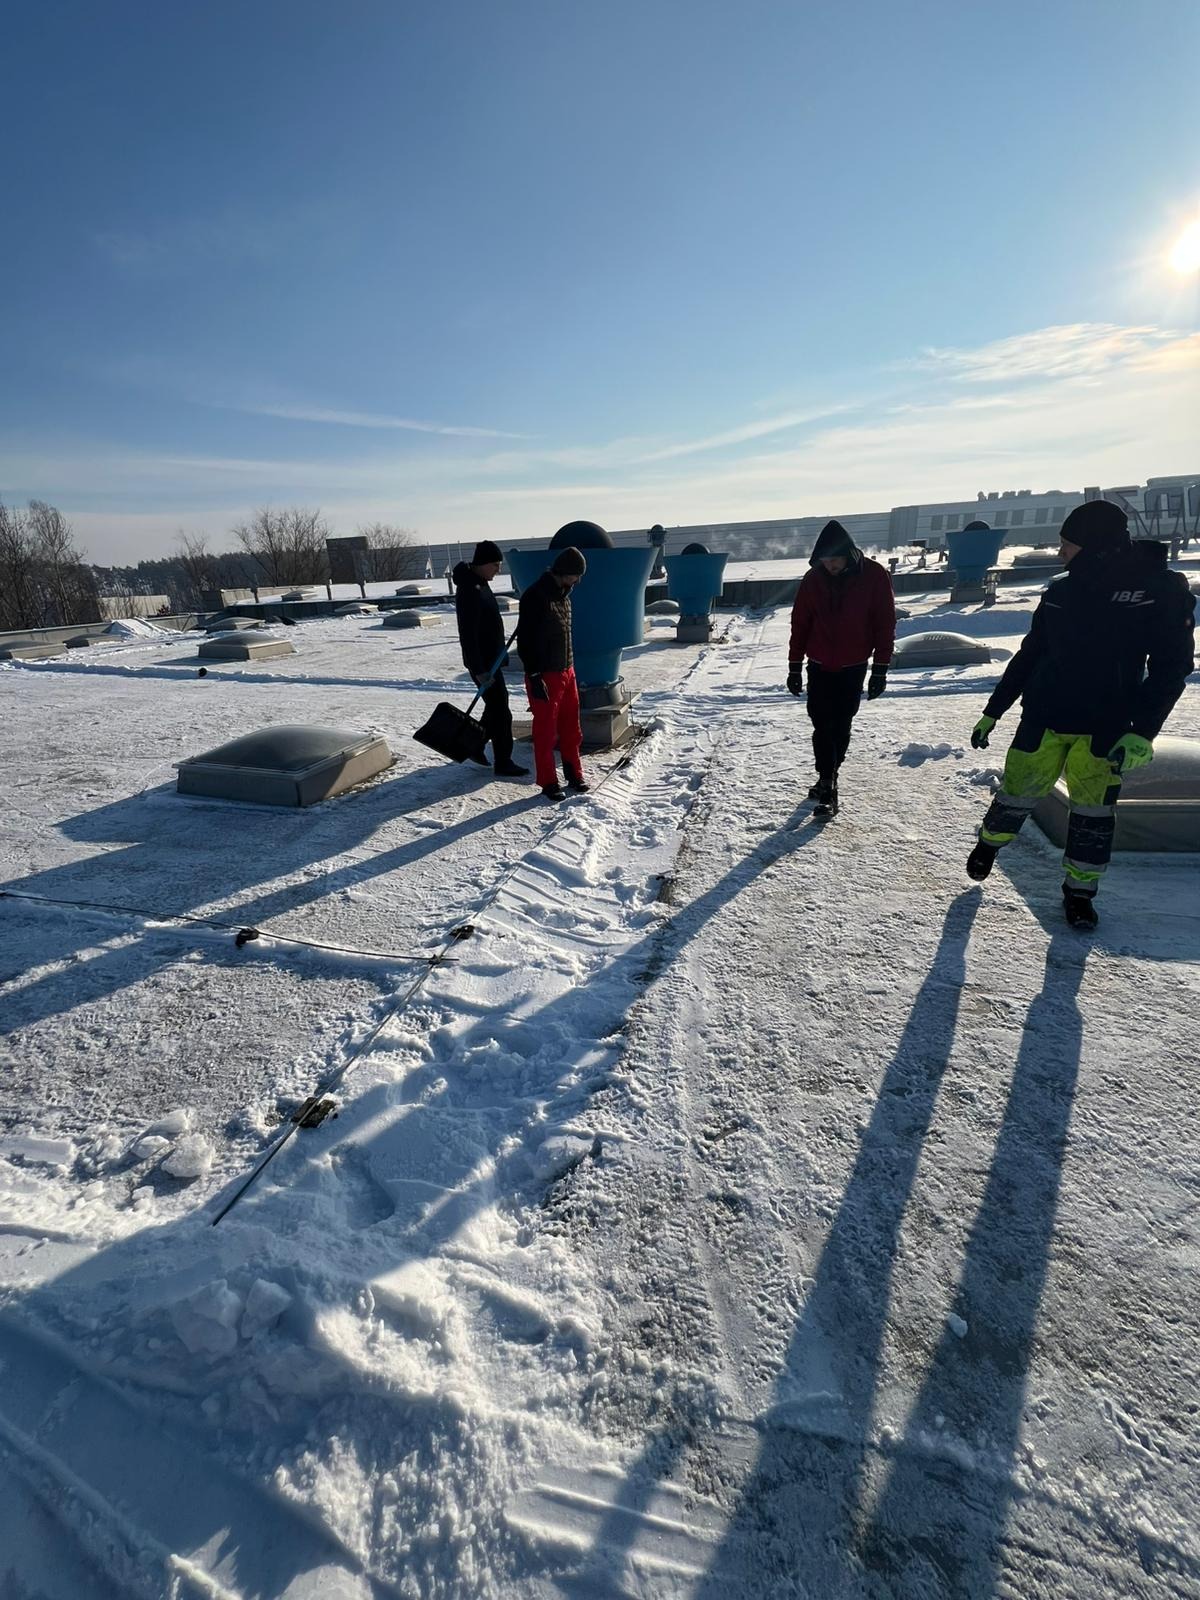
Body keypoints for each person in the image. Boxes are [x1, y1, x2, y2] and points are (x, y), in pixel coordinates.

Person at [966, 500, 1195, 929]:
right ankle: (989, 845)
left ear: (1092, 545)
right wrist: (994, 710)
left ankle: (1079, 893)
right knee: (1017, 790)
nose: (1059, 553)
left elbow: (1172, 667)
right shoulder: (1061, 591)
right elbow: (1031, 654)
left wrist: (1144, 730)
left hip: (1106, 727)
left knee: (1093, 815)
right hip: (1043, 716)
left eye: (1066, 545)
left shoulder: (1157, 590)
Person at [787, 519, 896, 815]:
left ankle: (829, 777)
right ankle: (827, 780)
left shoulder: (874, 576)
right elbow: (800, 624)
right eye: (825, 562)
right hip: (819, 665)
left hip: (853, 665)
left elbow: (884, 624)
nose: (830, 567)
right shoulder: (813, 579)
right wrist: (795, 666)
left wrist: (880, 669)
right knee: (821, 724)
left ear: (848, 555)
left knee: (841, 724)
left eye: (834, 561)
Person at [516, 546, 589, 802]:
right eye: (576, 575)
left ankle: (574, 773)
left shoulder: (564, 596)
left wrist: (570, 669)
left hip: (567, 669)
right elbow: (525, 639)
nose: (578, 581)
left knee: (572, 727)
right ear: (564, 572)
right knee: (546, 731)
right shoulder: (535, 596)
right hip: (545, 674)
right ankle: (548, 781)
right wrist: (534, 674)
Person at [452, 540, 527, 778]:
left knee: (495, 708)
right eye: (495, 564)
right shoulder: (469, 589)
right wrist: (478, 668)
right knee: (501, 712)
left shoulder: (480, 584)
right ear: (482, 563)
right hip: (483, 665)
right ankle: (503, 761)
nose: (498, 569)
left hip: (491, 661)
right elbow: (468, 633)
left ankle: (475, 743)